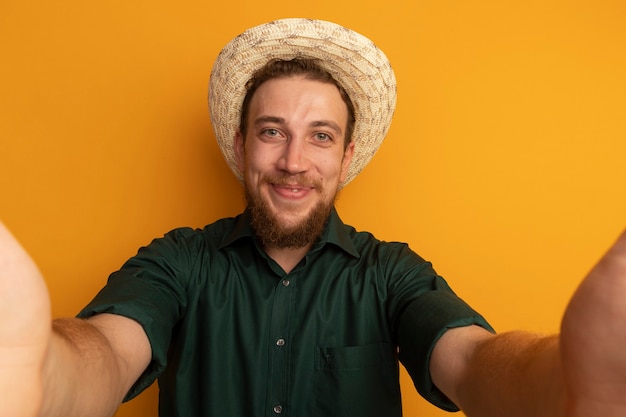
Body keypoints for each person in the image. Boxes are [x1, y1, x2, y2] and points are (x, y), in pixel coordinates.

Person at [1, 17, 625, 417]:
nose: (294, 161)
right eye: (272, 132)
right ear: (242, 145)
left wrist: (563, 380)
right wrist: (41, 373)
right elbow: (107, 351)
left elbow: (472, 361)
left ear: (347, 155)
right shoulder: (179, 262)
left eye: (320, 136)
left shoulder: (390, 273)